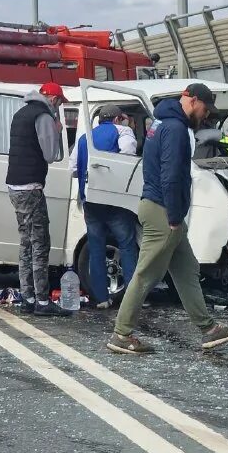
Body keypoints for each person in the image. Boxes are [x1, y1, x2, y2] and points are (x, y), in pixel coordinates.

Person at [107, 82, 228, 354]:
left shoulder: (161, 124)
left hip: (164, 210)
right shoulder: (176, 129)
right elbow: (171, 174)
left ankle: (208, 329)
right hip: (163, 211)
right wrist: (172, 215)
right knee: (147, 274)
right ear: (192, 100)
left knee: (186, 270)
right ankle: (121, 334)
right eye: (205, 108)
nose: (206, 115)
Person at [6, 82, 72, 316]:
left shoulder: (21, 113)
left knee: (25, 242)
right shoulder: (43, 116)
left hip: (14, 186)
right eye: (60, 102)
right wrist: (57, 130)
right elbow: (51, 155)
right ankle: (42, 302)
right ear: (52, 98)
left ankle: (28, 297)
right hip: (31, 187)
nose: (59, 106)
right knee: (40, 242)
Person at [72, 104, 139, 309]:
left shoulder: (85, 137)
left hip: (91, 200)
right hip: (114, 200)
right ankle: (132, 298)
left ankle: (101, 298)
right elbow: (129, 155)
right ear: (118, 119)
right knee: (127, 245)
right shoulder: (123, 131)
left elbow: (73, 168)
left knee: (96, 248)